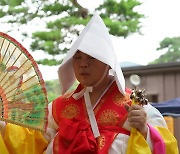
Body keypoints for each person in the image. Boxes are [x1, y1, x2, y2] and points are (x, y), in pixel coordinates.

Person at [0, 12, 179, 154]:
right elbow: (31, 140)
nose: (83, 64)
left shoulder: (132, 105)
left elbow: (167, 146)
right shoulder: (60, 106)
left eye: (91, 58)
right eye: (77, 58)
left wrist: (144, 129)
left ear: (108, 62)